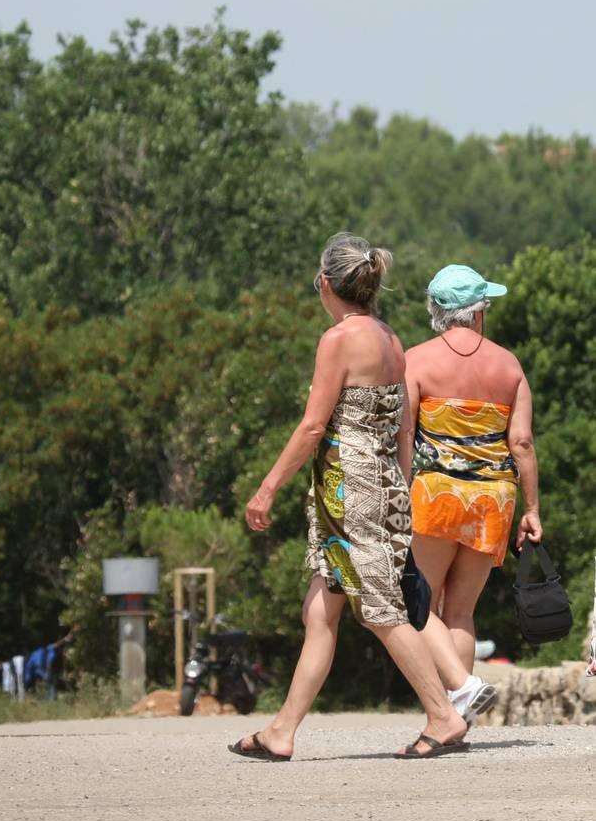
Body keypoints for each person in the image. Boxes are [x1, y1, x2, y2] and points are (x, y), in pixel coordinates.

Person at [230, 233, 470, 761]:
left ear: (325, 283)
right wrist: (399, 492)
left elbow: (313, 426)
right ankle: (282, 731)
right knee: (320, 612)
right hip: (378, 487)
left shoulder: (338, 339)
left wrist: (266, 489)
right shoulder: (390, 339)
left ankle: (443, 714)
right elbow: (401, 428)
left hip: (351, 493)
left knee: (379, 610)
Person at [402, 264, 542, 716]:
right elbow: (521, 443)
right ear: (479, 311)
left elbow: (405, 434)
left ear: (436, 310)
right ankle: (459, 713)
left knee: (418, 601)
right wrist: (532, 510)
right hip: (493, 500)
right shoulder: (509, 364)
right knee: (460, 611)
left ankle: (454, 701)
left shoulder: (416, 360)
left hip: (435, 497)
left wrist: (396, 493)